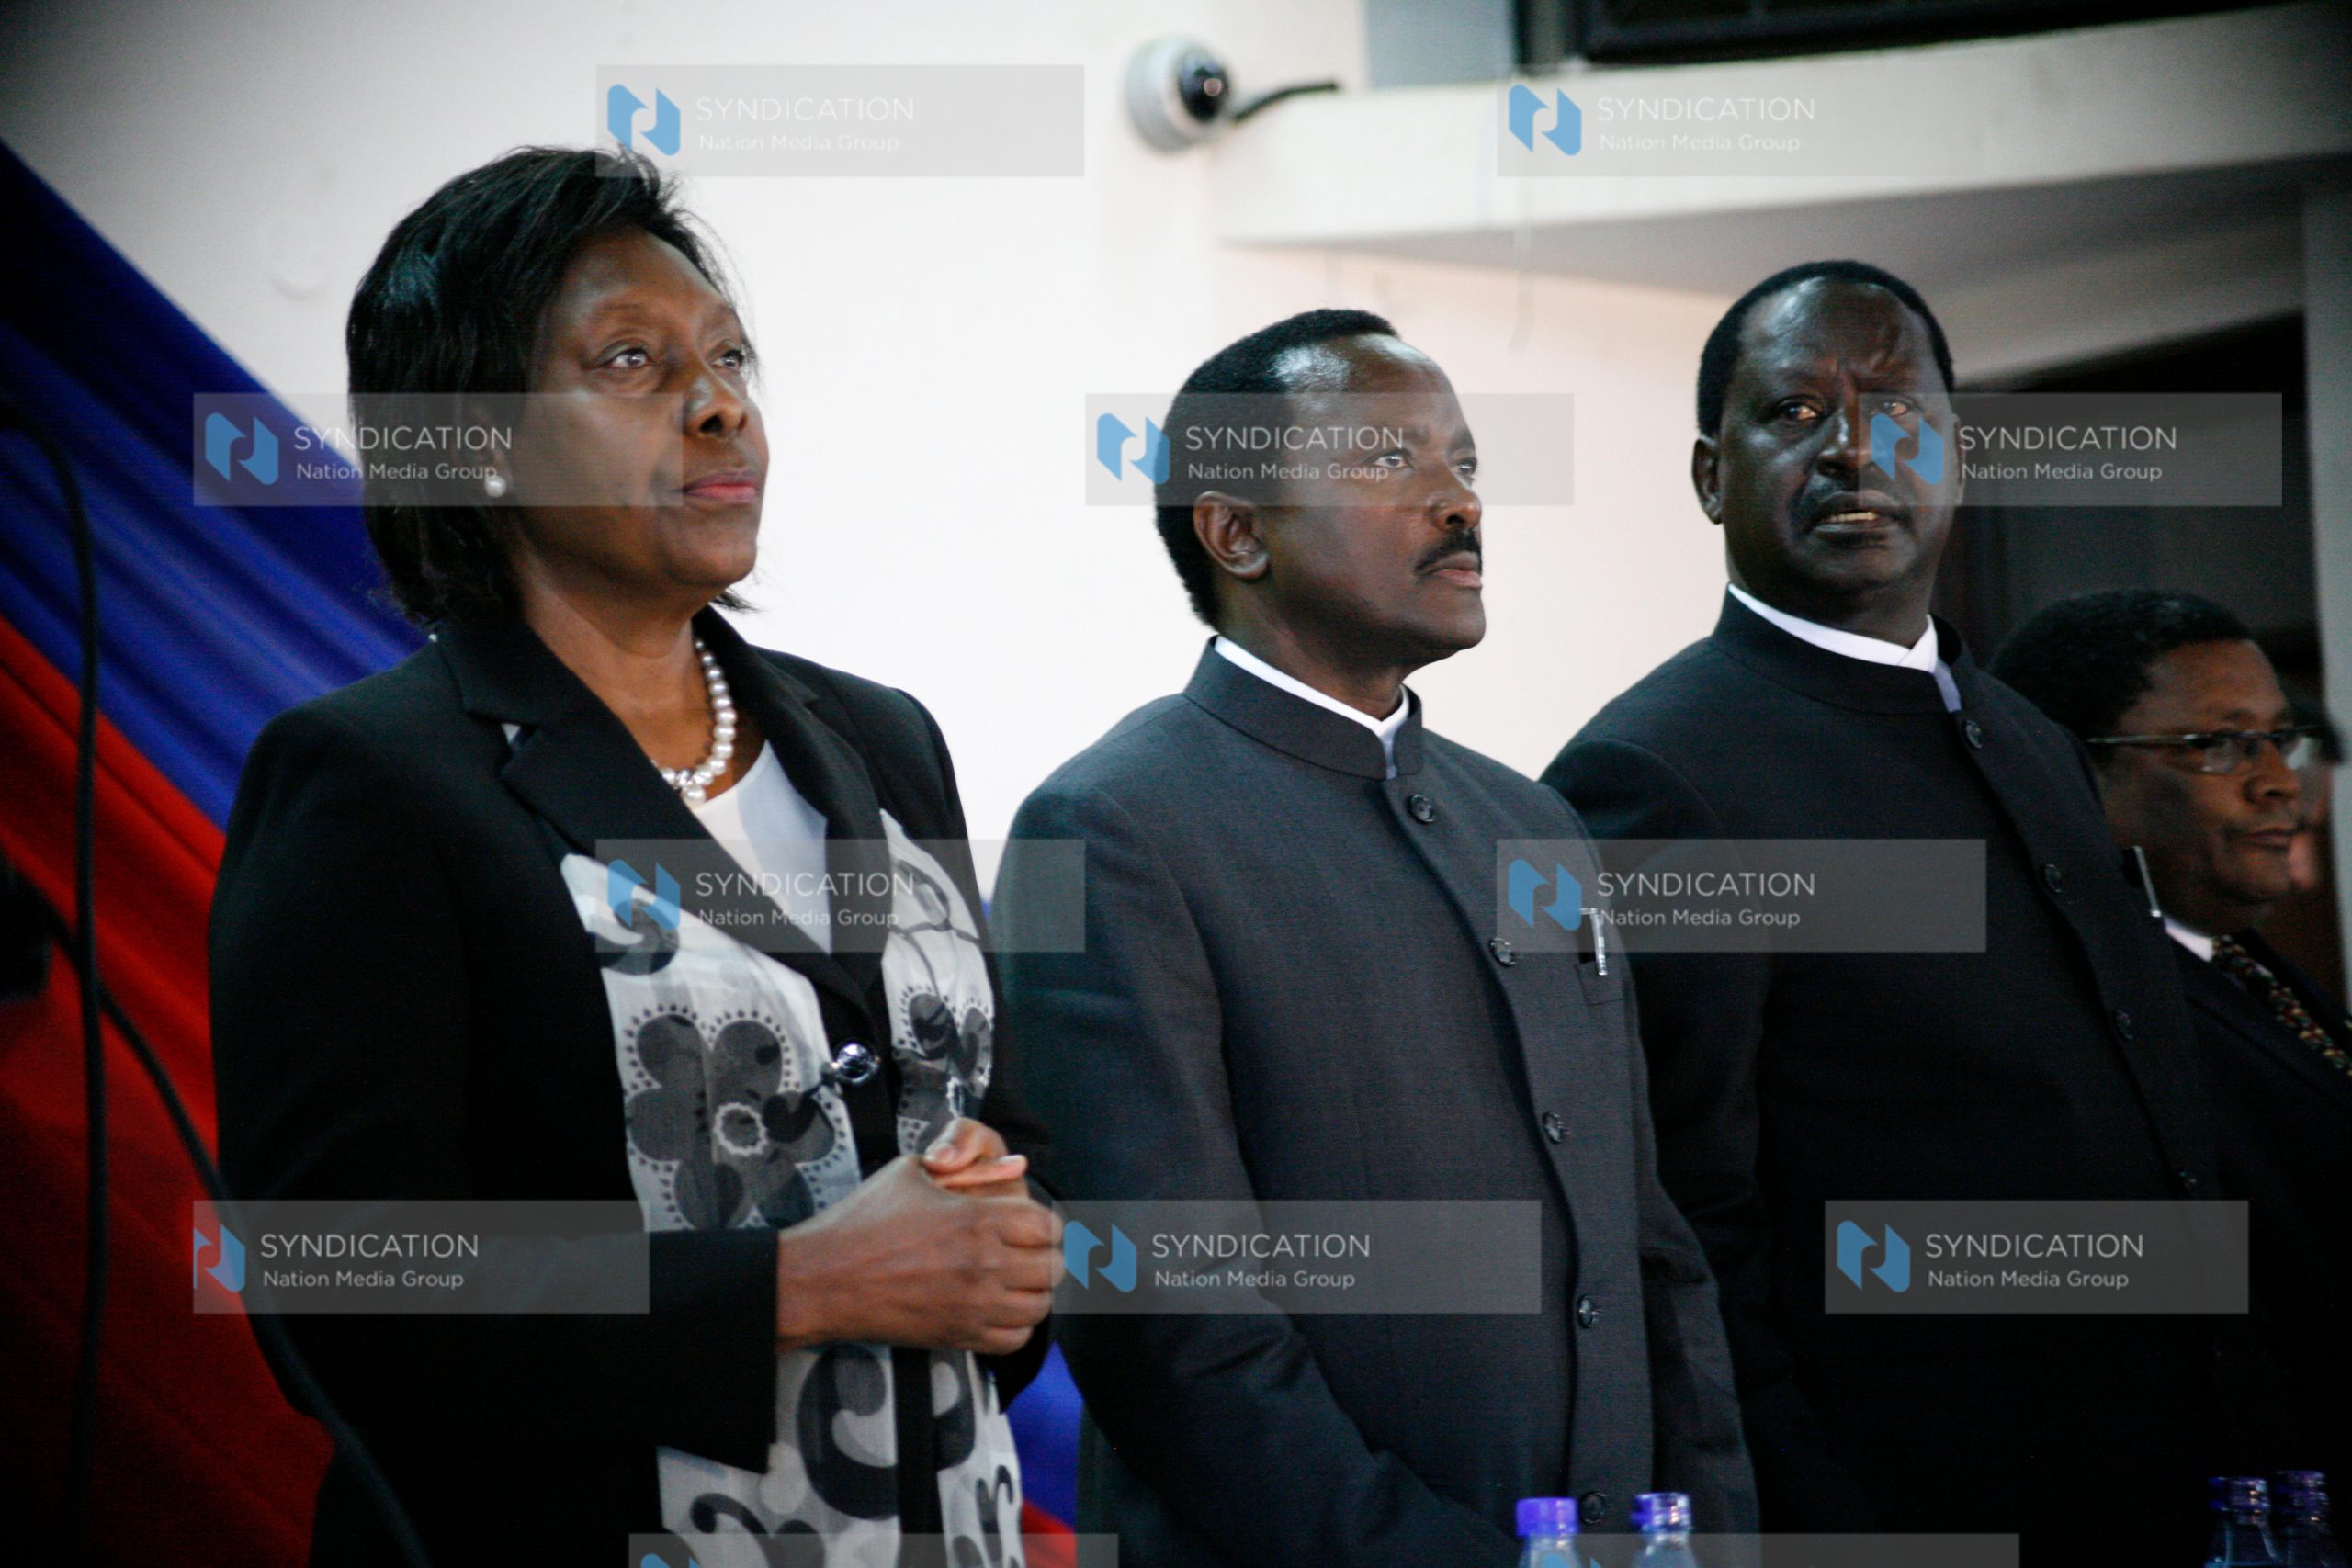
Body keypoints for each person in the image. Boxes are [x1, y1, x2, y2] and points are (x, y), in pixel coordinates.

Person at [209, 147, 1057, 1565]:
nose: (721, 401)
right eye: (633, 363)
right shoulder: (374, 780)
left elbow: (1014, 1133)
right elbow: (336, 1286)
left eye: (727, 357)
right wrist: (797, 1284)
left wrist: (1011, 1241)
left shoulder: (883, 738)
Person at [992, 309, 1756, 1566]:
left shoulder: (1535, 822)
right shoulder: (1113, 827)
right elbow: (1172, 1324)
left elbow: (1648, 1249)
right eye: (1391, 461)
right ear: (1237, 530)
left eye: (1463, 463)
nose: (1458, 502)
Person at [1541, 261, 2278, 1559]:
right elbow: (1684, 1233)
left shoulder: (2032, 736)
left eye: (1897, 408)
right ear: (1712, 476)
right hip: (1919, 1504)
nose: (1855, 451)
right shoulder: (1662, 773)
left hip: (2182, 1474)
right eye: (1794, 414)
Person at [1994, 588, 2352, 1489]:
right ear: (2073, 774)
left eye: (2279, 738)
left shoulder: (2237, 958)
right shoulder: (2072, 1007)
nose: (2277, 780)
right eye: (2215, 744)